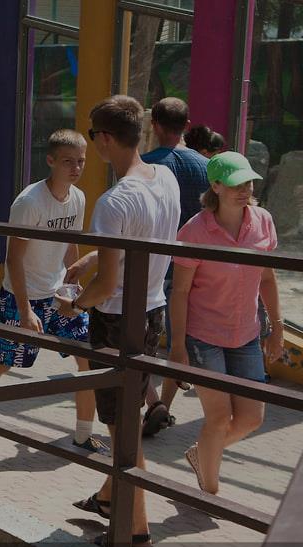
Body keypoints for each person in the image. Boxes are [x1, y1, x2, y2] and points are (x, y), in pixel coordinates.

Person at [58, 95, 181, 547]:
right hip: (152, 310)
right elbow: (142, 240)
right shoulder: (164, 178)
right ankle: (110, 498)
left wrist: (73, 305)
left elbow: (106, 287)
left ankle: (136, 531)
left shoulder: (113, 202)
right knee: (125, 413)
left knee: (122, 429)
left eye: (94, 135)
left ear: (106, 139)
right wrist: (94, 256)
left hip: (115, 320)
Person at [0, 130, 108, 454]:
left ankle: (83, 434)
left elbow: (70, 243)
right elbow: (13, 259)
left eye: (81, 161)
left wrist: (73, 288)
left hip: (58, 297)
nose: (76, 168)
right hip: (20, 297)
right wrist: (26, 310)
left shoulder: (79, 198)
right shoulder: (29, 202)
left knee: (88, 357)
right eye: (68, 161)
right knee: (2, 362)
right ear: (51, 160)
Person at [171, 152, 283, 495]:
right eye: (236, 184)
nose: (244, 189)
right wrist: (177, 347)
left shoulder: (263, 221)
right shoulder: (194, 231)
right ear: (216, 186)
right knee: (218, 418)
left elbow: (267, 278)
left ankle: (203, 453)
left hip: (246, 334)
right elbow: (180, 292)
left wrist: (277, 328)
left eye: (248, 182)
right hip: (204, 336)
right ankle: (210, 494)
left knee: (252, 418)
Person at [139, 98, 212, 437]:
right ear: (187, 125)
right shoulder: (207, 167)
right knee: (177, 342)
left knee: (135, 338)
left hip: (157, 268)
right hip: (199, 267)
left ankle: (156, 404)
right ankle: (162, 405)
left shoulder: (147, 165)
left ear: (154, 125)